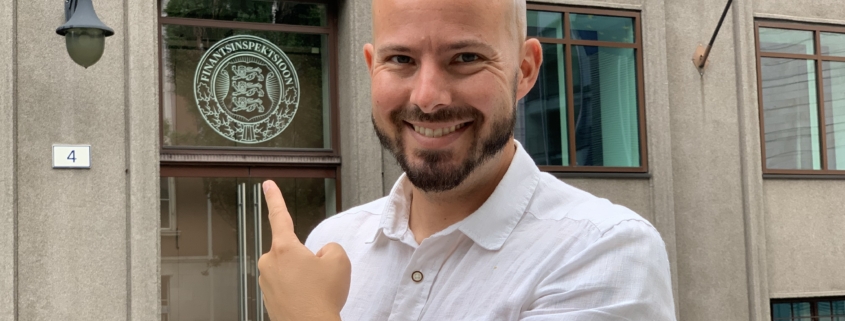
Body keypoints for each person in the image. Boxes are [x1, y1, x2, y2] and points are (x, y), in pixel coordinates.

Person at [257, 0, 676, 319]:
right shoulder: (333, 240)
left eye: (466, 58)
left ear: (525, 70)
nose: (427, 97)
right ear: (372, 68)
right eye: (400, 60)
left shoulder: (606, 251)